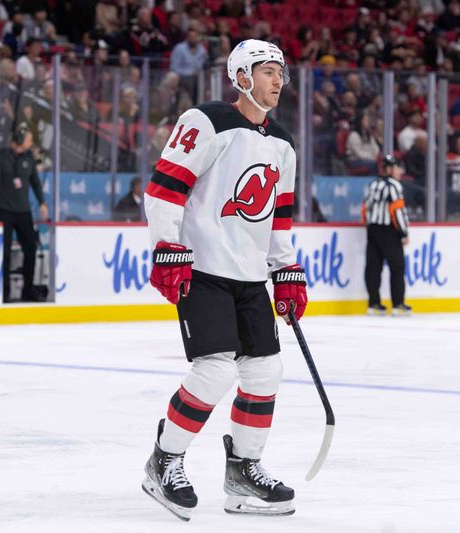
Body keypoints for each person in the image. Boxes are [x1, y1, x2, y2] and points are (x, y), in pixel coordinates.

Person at [141, 39, 305, 521]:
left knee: (264, 372)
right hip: (205, 270)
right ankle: (163, 460)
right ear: (242, 77)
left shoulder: (283, 144)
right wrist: (168, 246)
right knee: (214, 370)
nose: (279, 79)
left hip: (251, 277)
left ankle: (243, 472)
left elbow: (280, 220)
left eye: (281, 72)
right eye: (268, 70)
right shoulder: (206, 120)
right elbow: (164, 190)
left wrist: (286, 270)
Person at [0, 124, 48, 302]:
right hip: (4, 211)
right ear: (18, 140)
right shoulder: (1, 156)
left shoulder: (29, 158)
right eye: (28, 139)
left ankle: (28, 290)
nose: (31, 142)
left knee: (30, 248)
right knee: (4, 253)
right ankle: (4, 292)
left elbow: (35, 182)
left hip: (24, 211)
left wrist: (42, 202)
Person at [362, 154, 411, 316]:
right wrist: (403, 232)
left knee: (373, 267)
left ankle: (373, 304)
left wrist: (369, 227)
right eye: (397, 168)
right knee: (397, 267)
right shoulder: (394, 186)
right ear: (389, 169)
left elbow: (365, 209)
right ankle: (398, 304)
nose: (400, 171)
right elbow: (397, 211)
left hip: (373, 230)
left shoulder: (372, 184)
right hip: (389, 231)